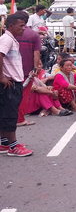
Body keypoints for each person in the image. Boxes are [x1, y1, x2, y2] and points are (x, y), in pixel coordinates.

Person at [0, 14, 34, 156]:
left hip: (13, 82)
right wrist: (1, 77)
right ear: (11, 26)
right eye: (21, 26)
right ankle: (13, 147)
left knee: (4, 114)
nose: (24, 28)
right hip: (9, 83)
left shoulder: (11, 40)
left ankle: (4, 143)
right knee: (10, 115)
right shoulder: (6, 39)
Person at [13, 11, 41, 127]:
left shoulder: (11, 34)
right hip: (26, 70)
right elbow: (36, 53)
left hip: (10, 70)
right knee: (23, 95)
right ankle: (20, 119)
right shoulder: (33, 34)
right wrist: (34, 69)